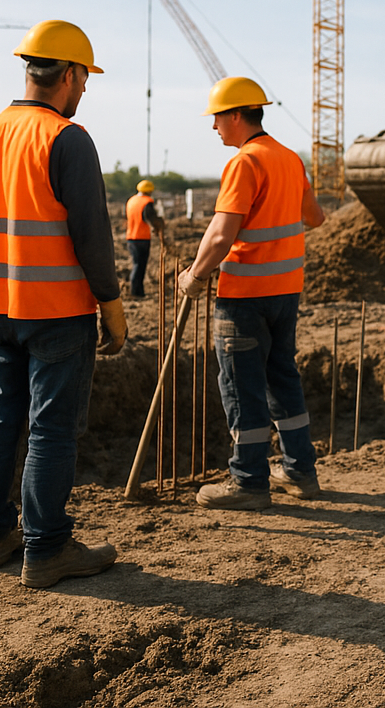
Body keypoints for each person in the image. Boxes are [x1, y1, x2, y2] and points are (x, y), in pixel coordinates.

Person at [0, 20, 127, 588]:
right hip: (56, 311)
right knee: (51, 429)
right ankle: (47, 548)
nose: (85, 89)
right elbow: (92, 235)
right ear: (68, 74)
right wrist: (112, 307)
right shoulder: (66, 138)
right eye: (85, 78)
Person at [177, 77, 325, 510]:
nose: (214, 126)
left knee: (242, 388)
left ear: (238, 115)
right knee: (282, 378)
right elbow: (315, 218)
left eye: (218, 118)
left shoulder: (245, 163)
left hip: (244, 297)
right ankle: (300, 471)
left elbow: (221, 234)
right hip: (285, 293)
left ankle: (248, 482)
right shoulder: (289, 159)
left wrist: (194, 275)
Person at [124, 179, 165, 297]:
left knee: (137, 264)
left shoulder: (131, 200)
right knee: (140, 266)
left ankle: (139, 291)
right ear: (149, 191)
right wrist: (158, 226)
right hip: (142, 238)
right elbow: (150, 217)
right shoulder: (147, 202)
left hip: (131, 237)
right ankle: (136, 292)